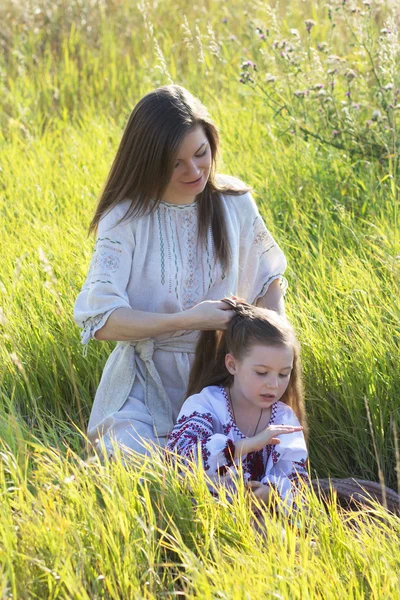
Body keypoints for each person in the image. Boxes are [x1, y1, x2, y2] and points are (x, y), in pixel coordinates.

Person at [74, 84, 288, 458]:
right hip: (143, 384)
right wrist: (190, 319)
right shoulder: (124, 218)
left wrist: (275, 357)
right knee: (138, 466)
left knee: (242, 467)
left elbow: (270, 283)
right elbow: (102, 320)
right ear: (148, 162)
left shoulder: (234, 203)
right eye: (175, 163)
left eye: (201, 153)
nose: (194, 171)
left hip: (223, 380)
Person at [166, 300, 309, 512]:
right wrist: (246, 445)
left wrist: (271, 494)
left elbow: (297, 481)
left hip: (262, 516)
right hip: (207, 513)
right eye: (261, 372)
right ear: (232, 364)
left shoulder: (284, 419)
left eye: (283, 374)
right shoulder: (206, 404)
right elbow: (180, 459)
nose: (274, 384)